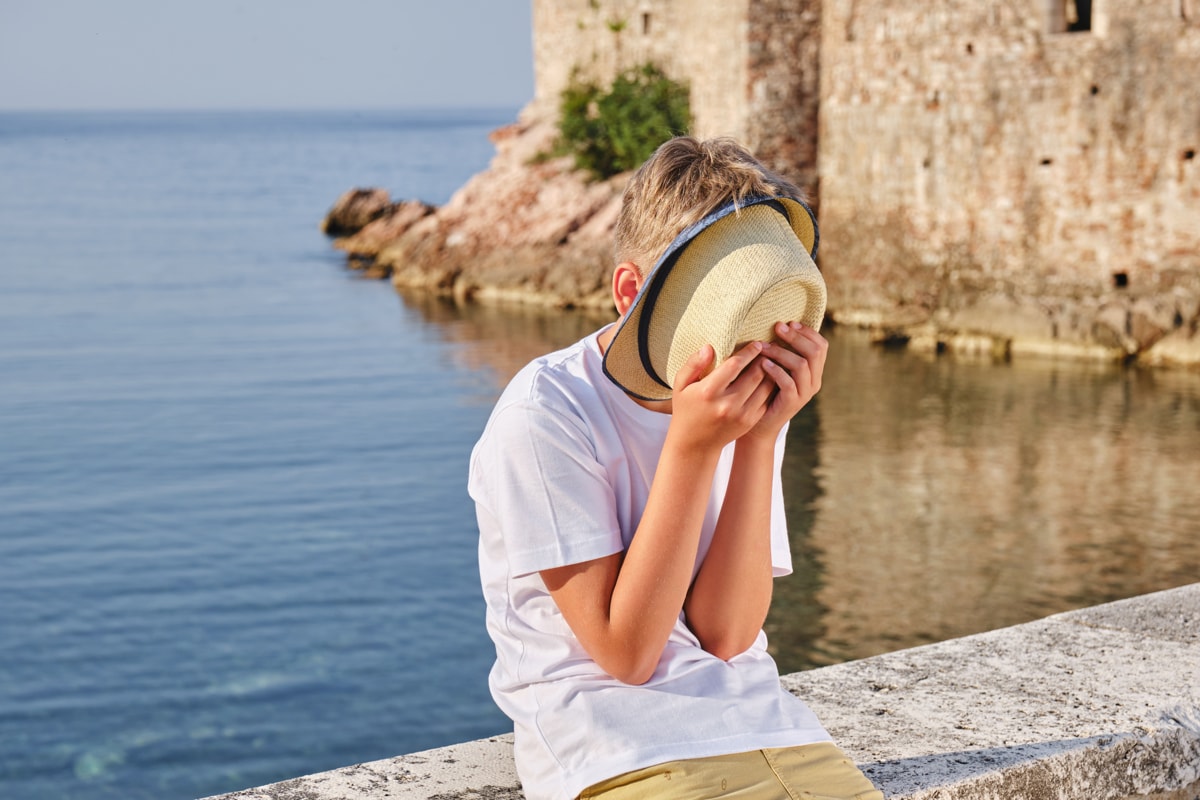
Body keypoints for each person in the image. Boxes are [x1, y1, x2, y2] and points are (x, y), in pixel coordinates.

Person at [469, 136, 883, 800]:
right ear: (630, 291)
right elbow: (628, 655)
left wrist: (759, 439)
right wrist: (692, 449)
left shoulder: (740, 392)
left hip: (770, 730)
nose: (750, 348)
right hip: (614, 748)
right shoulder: (545, 413)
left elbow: (727, 635)